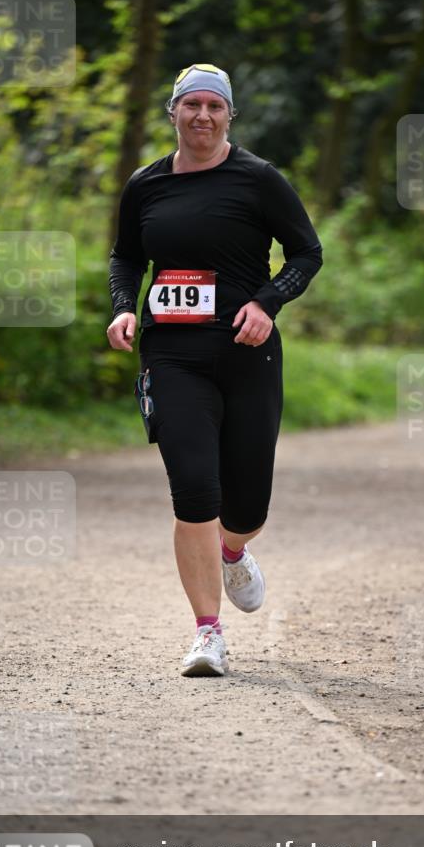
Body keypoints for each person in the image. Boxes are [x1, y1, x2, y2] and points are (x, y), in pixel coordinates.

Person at [107, 64, 322, 676]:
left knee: (247, 501)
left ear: (230, 116)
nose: (203, 116)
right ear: (172, 112)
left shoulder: (258, 180)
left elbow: (307, 252)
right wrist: (124, 310)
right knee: (194, 488)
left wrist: (267, 302)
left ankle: (234, 551)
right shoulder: (146, 185)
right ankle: (207, 633)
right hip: (172, 355)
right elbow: (126, 257)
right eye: (191, 105)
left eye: (215, 107)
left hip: (247, 351)